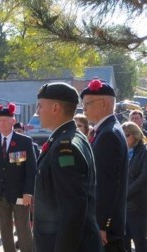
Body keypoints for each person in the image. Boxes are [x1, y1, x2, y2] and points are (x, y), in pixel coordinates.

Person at [33, 82, 103, 252]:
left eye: (40, 106)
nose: (37, 112)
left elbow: (72, 210)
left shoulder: (65, 147)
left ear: (55, 108)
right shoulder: (71, 137)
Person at [0, 103, 36, 252]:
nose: (2, 123)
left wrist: (29, 192)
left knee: (23, 228)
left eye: (5, 120)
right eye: (0, 120)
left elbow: (31, 169)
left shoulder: (24, 141)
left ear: (12, 121)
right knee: (5, 229)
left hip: (20, 193)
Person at [81, 79, 129, 251]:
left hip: (106, 228)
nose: (84, 109)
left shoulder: (108, 134)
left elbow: (107, 185)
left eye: (87, 104)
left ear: (102, 103)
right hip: (109, 223)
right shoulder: (107, 129)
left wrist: (102, 224)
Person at [121, 122, 147, 252]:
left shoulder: (144, 152)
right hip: (123, 207)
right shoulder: (123, 152)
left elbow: (143, 179)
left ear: (135, 135)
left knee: (140, 243)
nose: (123, 138)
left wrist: (125, 193)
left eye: (127, 135)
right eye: (122, 135)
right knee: (124, 243)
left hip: (138, 207)